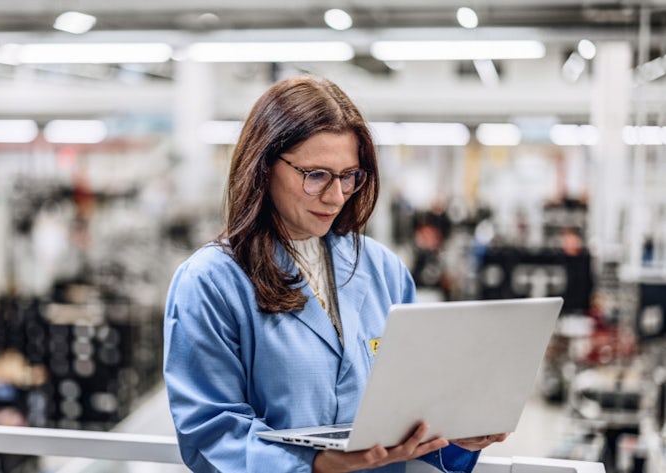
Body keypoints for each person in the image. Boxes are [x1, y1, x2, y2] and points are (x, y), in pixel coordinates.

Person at [162, 76, 508, 473]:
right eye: (316, 175)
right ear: (263, 166)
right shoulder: (211, 283)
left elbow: (412, 412)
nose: (336, 196)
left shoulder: (382, 270)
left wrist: (454, 432)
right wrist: (316, 464)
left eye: (349, 176)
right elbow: (212, 434)